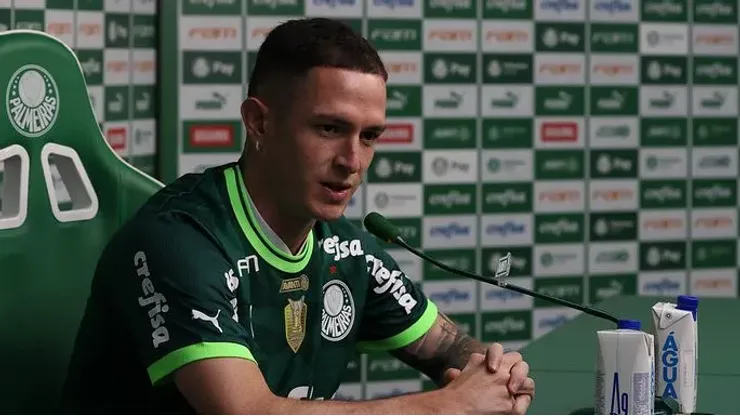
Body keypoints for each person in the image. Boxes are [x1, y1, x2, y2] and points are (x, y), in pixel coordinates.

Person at [60, 17, 534, 414]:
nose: (352, 160)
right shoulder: (179, 240)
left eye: (369, 136)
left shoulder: (345, 245)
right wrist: (448, 405)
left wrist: (494, 372)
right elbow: (249, 412)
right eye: (330, 128)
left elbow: (446, 346)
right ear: (259, 123)